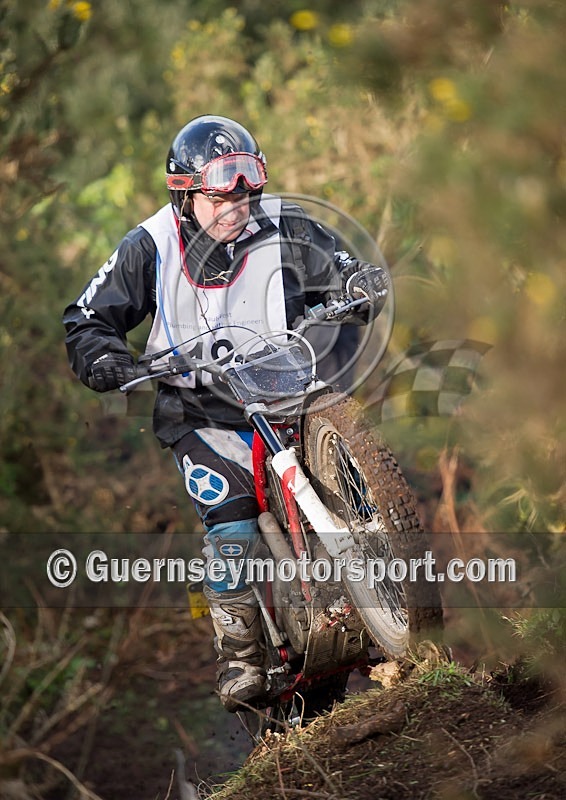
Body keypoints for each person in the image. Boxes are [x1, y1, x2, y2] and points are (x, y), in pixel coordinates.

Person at [63, 115, 389, 711]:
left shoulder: (287, 224)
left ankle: (386, 593)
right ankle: (238, 653)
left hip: (288, 396)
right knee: (233, 524)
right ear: (185, 193)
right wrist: (108, 360)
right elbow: (86, 321)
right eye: (222, 189)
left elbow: (340, 263)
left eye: (248, 185)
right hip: (204, 416)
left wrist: (357, 281)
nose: (239, 201)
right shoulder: (148, 247)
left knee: (356, 481)